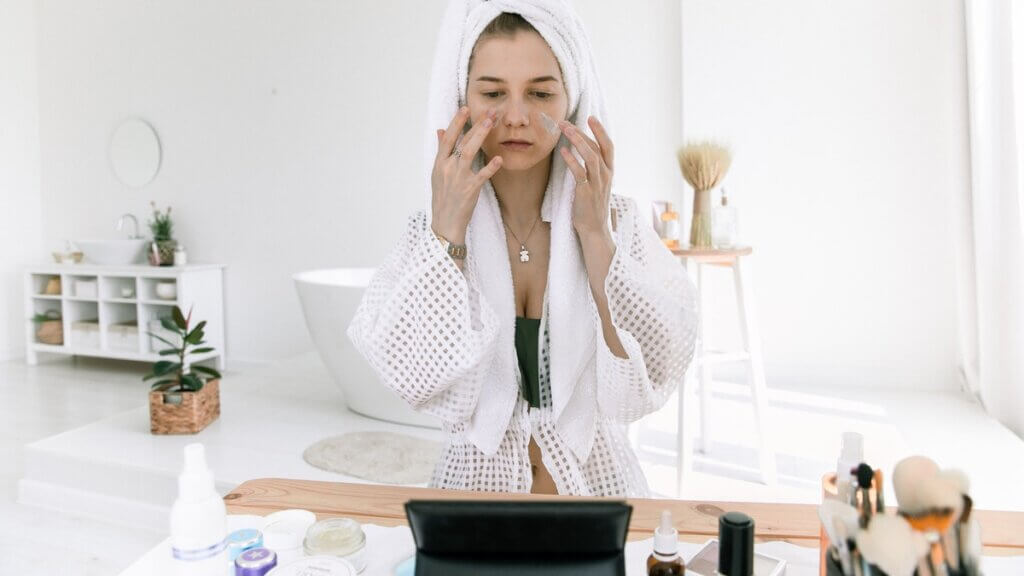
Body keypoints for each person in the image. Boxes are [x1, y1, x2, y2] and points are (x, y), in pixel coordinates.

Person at [348, 1, 697, 497]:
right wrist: (448, 233)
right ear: (461, 99)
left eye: (540, 93)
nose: (515, 117)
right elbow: (420, 382)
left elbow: (639, 391)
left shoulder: (615, 220)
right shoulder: (431, 233)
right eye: (492, 92)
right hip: (471, 497)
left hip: (599, 495)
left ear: (571, 100)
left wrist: (596, 235)